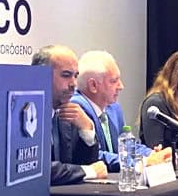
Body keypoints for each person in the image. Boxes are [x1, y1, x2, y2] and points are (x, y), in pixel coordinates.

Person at [72, 50, 167, 171]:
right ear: (93, 86)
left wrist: (153, 155)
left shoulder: (113, 108)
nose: (121, 86)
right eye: (113, 81)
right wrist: (142, 162)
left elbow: (128, 145)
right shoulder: (77, 107)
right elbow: (94, 156)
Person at [31, 45, 108, 185]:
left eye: (76, 76)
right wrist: (87, 171)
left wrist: (87, 129)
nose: (73, 84)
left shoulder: (69, 114)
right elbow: (35, 168)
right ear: (39, 75)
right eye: (66, 75)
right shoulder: (24, 115)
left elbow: (86, 164)